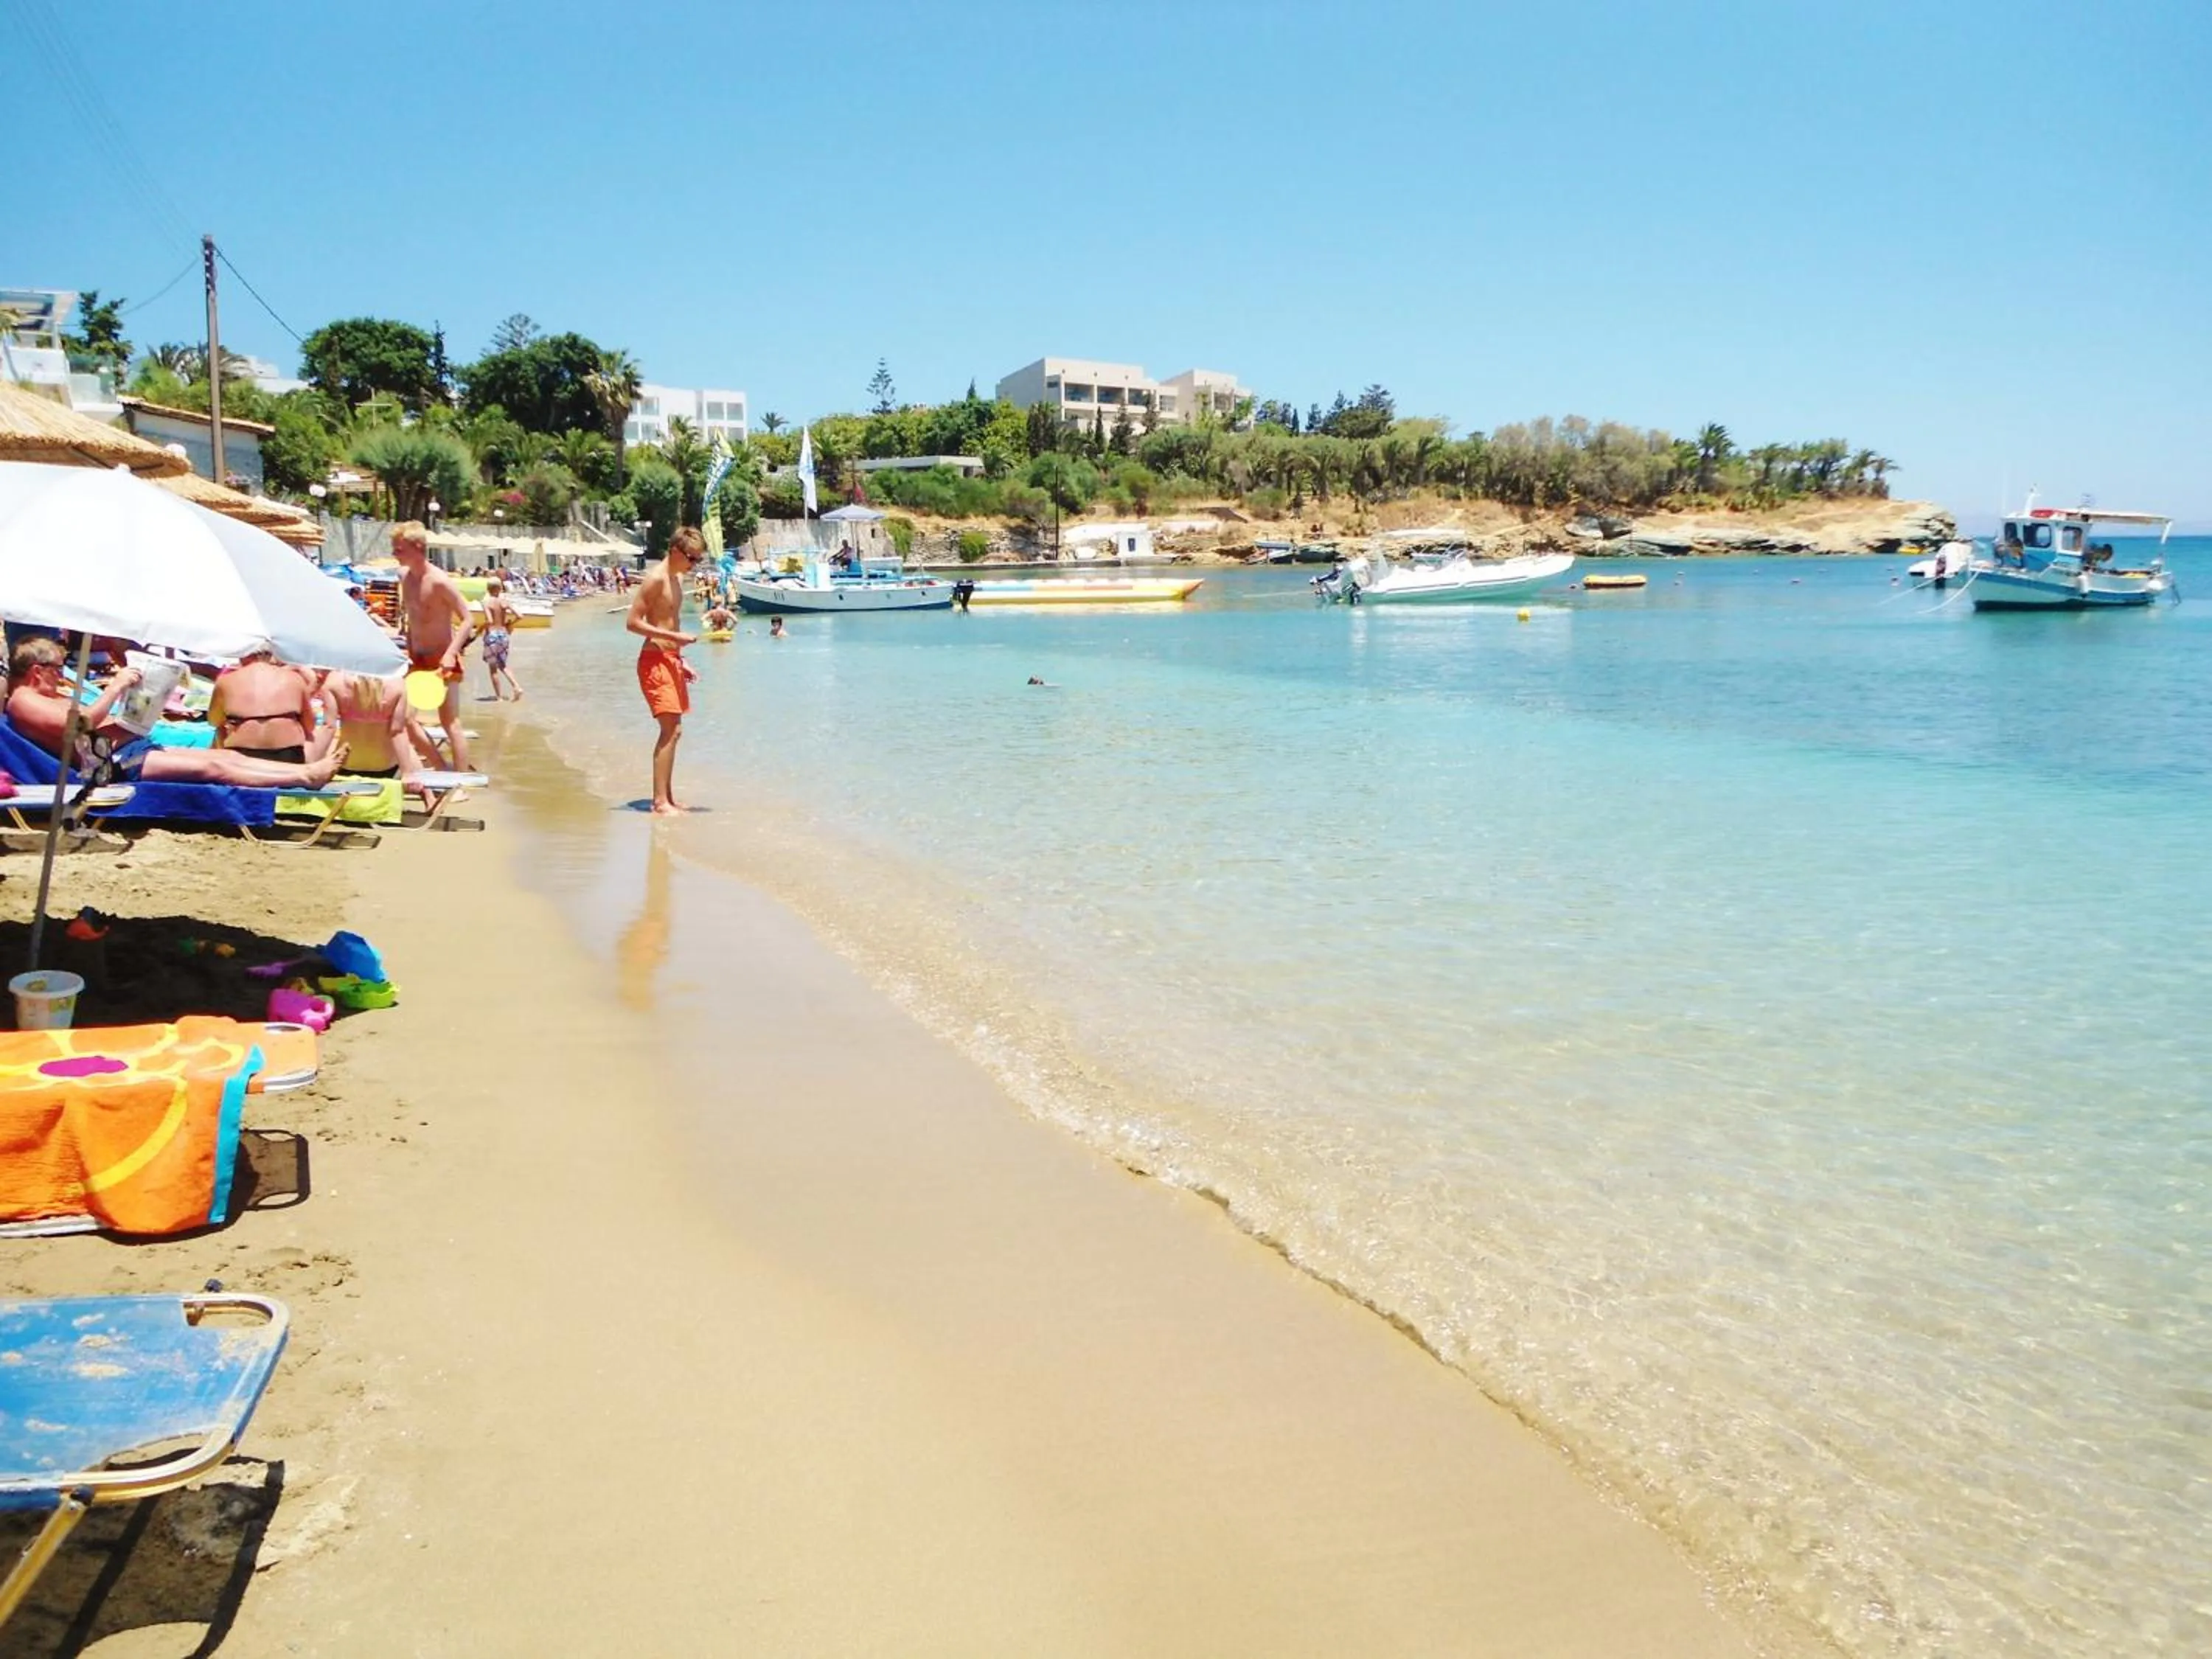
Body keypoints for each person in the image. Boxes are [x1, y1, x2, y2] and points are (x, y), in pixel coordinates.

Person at [7, 639, 345, 788]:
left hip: (124, 749)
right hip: (111, 765)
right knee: (215, 767)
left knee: (229, 758)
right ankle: (304, 777)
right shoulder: (23, 700)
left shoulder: (48, 696)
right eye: (57, 668)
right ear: (37, 670)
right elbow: (78, 728)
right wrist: (115, 688)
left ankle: (307, 772)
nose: (61, 673)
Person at [627, 525, 703, 814]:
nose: (694, 565)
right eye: (691, 558)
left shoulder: (676, 578)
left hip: (670, 659)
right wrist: (675, 640)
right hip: (653, 660)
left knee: (676, 730)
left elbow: (669, 622)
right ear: (674, 550)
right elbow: (633, 622)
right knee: (669, 730)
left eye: (698, 560)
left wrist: (681, 660)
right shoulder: (656, 579)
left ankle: (667, 797)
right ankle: (660, 802)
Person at [391, 520, 474, 768]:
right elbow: (410, 618)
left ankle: (461, 782)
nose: (394, 554)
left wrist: (451, 654)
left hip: (442, 660)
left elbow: (468, 619)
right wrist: (406, 647)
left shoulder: (439, 581)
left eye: (399, 549)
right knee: (405, 719)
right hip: (416, 659)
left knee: (450, 722)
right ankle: (441, 767)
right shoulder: (404, 577)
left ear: (417, 547)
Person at [206, 647, 320, 763]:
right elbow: (310, 725)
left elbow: (213, 721)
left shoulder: (226, 680)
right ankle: (308, 768)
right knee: (305, 730)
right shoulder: (294, 678)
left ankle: (220, 762)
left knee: (220, 728)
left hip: (241, 753)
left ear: (243, 655)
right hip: (288, 752)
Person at [327, 672, 431, 793]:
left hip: (343, 764)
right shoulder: (396, 683)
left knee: (333, 738)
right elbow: (398, 731)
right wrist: (407, 773)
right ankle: (428, 795)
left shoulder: (335, 680)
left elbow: (328, 728)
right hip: (386, 768)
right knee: (405, 744)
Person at [481, 578, 524, 702]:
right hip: (503, 635)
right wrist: (510, 625)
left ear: (488, 590)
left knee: (493, 668)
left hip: (492, 635)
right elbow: (520, 616)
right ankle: (516, 686)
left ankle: (499, 697)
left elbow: (489, 621)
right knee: (503, 665)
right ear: (500, 588)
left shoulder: (486, 602)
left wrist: (480, 629)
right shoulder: (505, 602)